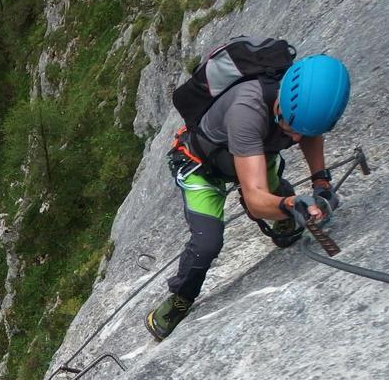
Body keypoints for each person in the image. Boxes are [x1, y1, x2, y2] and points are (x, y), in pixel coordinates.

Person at [146, 53, 351, 341]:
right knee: (207, 243)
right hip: (202, 167)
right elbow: (256, 200)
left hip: (256, 151)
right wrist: (290, 205)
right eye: (289, 127)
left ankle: (283, 222)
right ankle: (180, 299)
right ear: (281, 104)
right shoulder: (247, 109)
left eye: (300, 132)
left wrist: (321, 182)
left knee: (272, 193)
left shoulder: (300, 105)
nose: (294, 139)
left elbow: (309, 132)